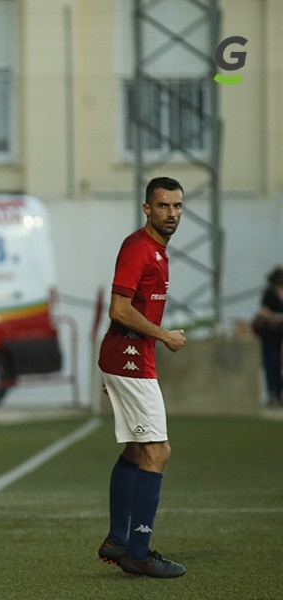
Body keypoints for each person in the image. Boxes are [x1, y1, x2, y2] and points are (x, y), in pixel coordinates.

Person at [95, 177, 188, 579]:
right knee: (158, 451)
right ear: (146, 208)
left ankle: (118, 540)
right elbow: (118, 309)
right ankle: (138, 551)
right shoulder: (139, 249)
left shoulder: (157, 252)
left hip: (128, 358)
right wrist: (164, 335)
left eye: (177, 206)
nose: (172, 213)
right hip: (130, 360)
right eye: (164, 206)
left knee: (137, 451)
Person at [253, 266, 283, 406]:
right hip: (270, 334)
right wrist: (276, 318)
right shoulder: (270, 294)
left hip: (280, 335)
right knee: (272, 362)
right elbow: (263, 312)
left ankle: (278, 392)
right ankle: (273, 394)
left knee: (277, 363)